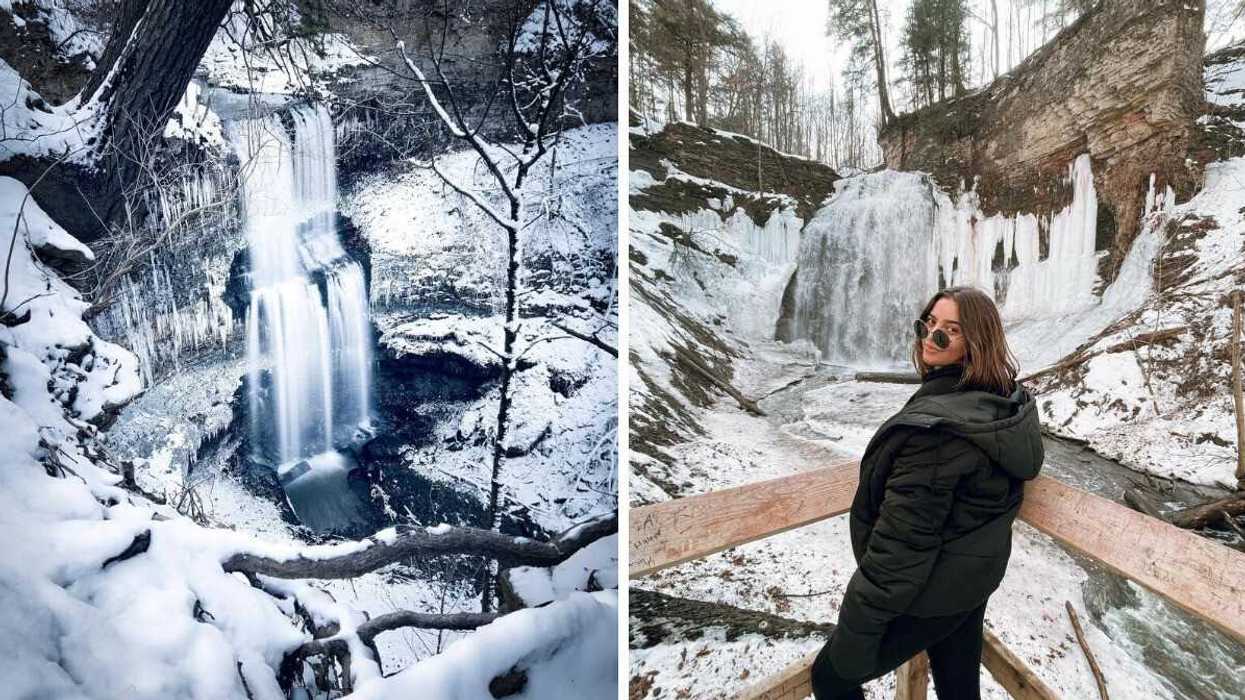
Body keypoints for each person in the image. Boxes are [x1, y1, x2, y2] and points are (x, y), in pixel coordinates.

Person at [811, 286, 1045, 700]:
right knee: (958, 687)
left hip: (932, 590)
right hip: (972, 577)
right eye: (928, 324)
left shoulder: (936, 434)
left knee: (833, 677)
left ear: (976, 342)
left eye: (948, 331)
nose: (929, 338)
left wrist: (859, 628)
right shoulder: (997, 402)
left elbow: (901, 547)